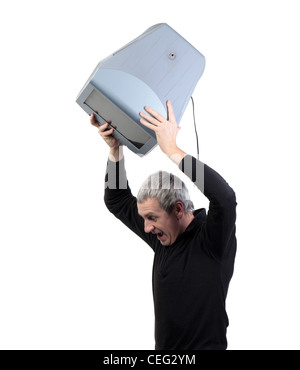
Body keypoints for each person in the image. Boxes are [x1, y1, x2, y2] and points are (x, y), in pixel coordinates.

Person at [90, 100, 237, 350]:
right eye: (144, 218)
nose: (146, 228)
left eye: (152, 218)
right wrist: (115, 149)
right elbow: (116, 200)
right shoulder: (162, 238)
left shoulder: (212, 241)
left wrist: (172, 150)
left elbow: (224, 198)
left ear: (178, 209)